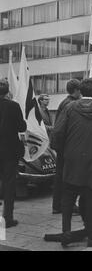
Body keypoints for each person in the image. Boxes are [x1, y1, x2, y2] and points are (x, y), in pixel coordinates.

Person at [51, 78, 92, 247]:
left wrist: (62, 151)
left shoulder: (69, 107)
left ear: (80, 91)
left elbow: (57, 133)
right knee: (89, 199)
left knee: (67, 198)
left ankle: (66, 232)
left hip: (73, 161)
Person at [52, 79, 81, 214]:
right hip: (66, 145)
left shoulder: (64, 102)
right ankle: (64, 205)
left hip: (61, 144)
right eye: (80, 90)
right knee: (65, 176)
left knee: (60, 175)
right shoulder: (71, 104)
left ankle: (57, 205)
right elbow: (62, 128)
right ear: (76, 90)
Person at [0, 79, 27, 228]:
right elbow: (21, 126)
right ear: (7, 92)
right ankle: (7, 217)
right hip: (9, 151)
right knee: (9, 183)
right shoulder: (13, 106)